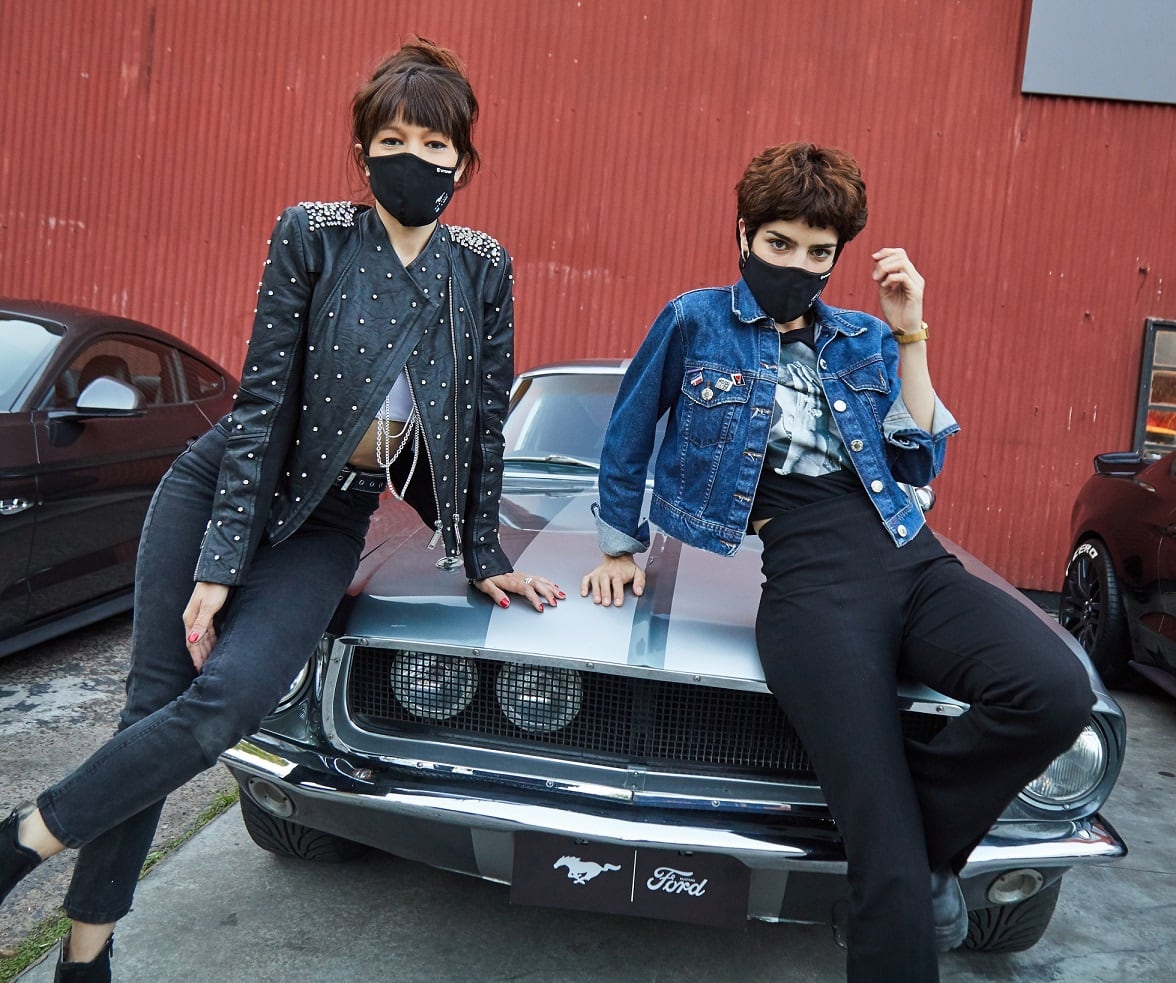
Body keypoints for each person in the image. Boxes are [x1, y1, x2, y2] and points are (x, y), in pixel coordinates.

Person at [0, 39, 563, 981]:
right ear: (361, 152)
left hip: (330, 519)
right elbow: (262, 404)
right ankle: (86, 958)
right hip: (224, 486)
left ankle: (18, 840)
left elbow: (480, 426)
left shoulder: (481, 268)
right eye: (392, 137)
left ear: (463, 160)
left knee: (225, 703)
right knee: (155, 707)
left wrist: (481, 548)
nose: (413, 157)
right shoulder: (314, 232)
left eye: (433, 141)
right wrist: (220, 563)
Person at [580, 142, 1093, 982]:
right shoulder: (692, 320)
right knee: (887, 861)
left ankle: (901, 831)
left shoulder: (859, 336)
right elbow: (629, 433)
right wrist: (618, 546)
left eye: (820, 252)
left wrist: (910, 330)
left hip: (909, 552)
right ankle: (898, 854)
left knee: (1055, 687)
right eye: (781, 243)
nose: (800, 264)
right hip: (810, 573)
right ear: (745, 231)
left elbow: (920, 459)